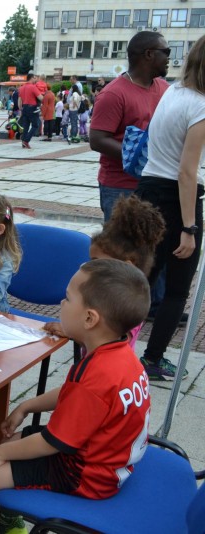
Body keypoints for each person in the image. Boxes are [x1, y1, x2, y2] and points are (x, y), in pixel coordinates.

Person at [0, 259, 151, 534]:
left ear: (90, 318)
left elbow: (53, 442)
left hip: (86, 475)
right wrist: (27, 406)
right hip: (111, 460)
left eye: (67, 298)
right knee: (11, 440)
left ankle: (0, 518)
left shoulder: (97, 375)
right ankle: (5, 518)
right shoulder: (121, 356)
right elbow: (74, 396)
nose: (61, 304)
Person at [135, 34, 205, 381]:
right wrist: (190, 228)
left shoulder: (173, 92)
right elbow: (187, 171)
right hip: (177, 199)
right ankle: (152, 358)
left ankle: (112, 349)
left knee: (139, 279)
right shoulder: (201, 105)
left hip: (148, 190)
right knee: (177, 290)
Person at [44, 195, 165, 348]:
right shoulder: (103, 294)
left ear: (126, 267)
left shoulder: (127, 303)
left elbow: (108, 340)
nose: (90, 265)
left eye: (97, 261)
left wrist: (70, 330)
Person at [89, 31, 170, 222]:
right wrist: (141, 157)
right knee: (122, 249)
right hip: (121, 188)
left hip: (157, 182)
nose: (169, 57)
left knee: (152, 247)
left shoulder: (165, 88)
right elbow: (97, 140)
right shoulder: (113, 94)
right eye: (166, 51)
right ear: (149, 54)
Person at [17, 74, 43, 149]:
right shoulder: (33, 87)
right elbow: (41, 98)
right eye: (35, 78)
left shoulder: (21, 88)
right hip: (32, 108)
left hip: (24, 108)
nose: (36, 80)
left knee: (26, 126)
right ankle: (26, 141)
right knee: (35, 125)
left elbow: (19, 100)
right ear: (31, 78)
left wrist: (21, 109)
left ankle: (23, 142)